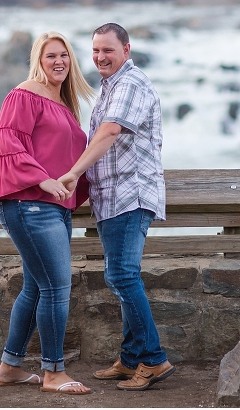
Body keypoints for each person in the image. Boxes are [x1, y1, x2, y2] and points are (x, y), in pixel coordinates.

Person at [58, 23, 175, 391]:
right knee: (120, 275)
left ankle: (154, 360)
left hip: (130, 195)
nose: (100, 57)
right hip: (111, 198)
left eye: (108, 50)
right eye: (95, 51)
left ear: (126, 49)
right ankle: (130, 360)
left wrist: (74, 173)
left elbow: (108, 132)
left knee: (123, 275)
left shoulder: (130, 84)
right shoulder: (110, 86)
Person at [0, 31, 96, 395]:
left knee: (36, 287)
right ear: (39, 59)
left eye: (64, 55)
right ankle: (53, 373)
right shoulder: (25, 93)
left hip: (52, 207)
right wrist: (43, 180)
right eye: (51, 56)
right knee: (56, 288)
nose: (59, 62)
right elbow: (8, 142)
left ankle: (9, 368)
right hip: (29, 204)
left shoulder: (62, 103)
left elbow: (68, 156)